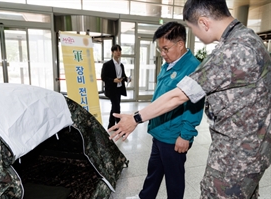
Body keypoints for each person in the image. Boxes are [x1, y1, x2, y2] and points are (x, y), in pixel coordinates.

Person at [109, 0, 271, 198]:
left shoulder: (234, 50)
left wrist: (135, 118)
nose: (193, 34)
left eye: (193, 28)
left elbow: (181, 96)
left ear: (203, 23)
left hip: (237, 155)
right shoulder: (247, 40)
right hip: (249, 149)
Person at [127, 22, 204, 199]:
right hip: (160, 130)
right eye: (160, 50)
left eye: (166, 49)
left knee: (174, 178)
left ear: (180, 44)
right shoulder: (168, 64)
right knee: (154, 171)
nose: (162, 54)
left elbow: (195, 106)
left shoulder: (193, 68)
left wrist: (185, 135)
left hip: (174, 135)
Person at [101, 44, 130, 129]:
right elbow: (103, 77)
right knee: (116, 107)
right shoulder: (107, 64)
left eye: (119, 50)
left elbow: (123, 75)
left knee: (114, 106)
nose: (118, 52)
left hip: (119, 89)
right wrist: (113, 80)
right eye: (116, 51)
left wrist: (127, 79)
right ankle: (119, 125)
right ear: (112, 52)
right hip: (111, 89)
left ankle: (111, 125)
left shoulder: (121, 65)